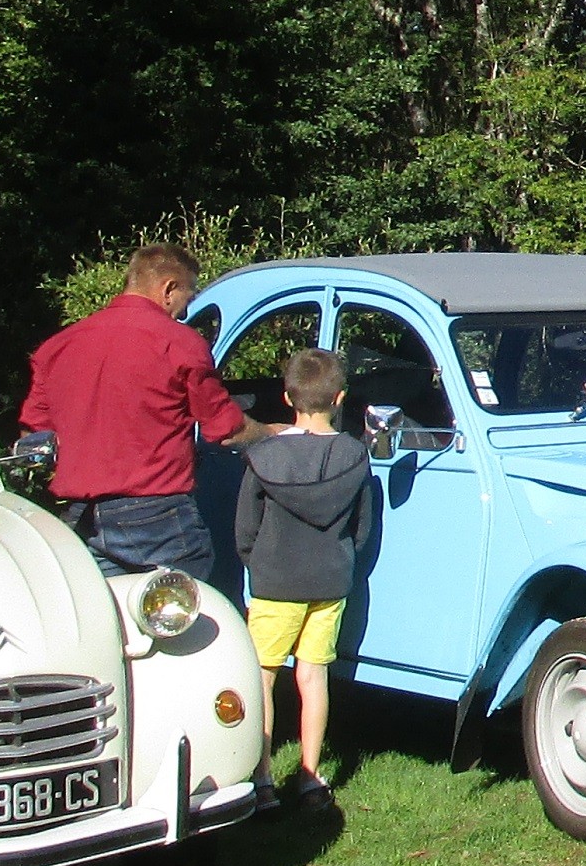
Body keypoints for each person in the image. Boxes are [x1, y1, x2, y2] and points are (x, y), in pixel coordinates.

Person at [19, 244, 247, 590]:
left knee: (110, 619)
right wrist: (274, 431)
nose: (184, 311)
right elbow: (225, 429)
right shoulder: (179, 343)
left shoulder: (58, 346)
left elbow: (34, 432)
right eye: (187, 296)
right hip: (157, 514)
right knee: (186, 617)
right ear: (169, 288)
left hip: (81, 515)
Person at [234, 345, 368, 806]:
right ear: (340, 397)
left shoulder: (264, 456)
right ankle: (311, 775)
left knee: (263, 678)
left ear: (288, 399)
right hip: (329, 581)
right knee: (314, 677)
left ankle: (263, 777)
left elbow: (245, 529)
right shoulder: (354, 455)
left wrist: (257, 563)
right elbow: (363, 529)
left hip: (274, 582)